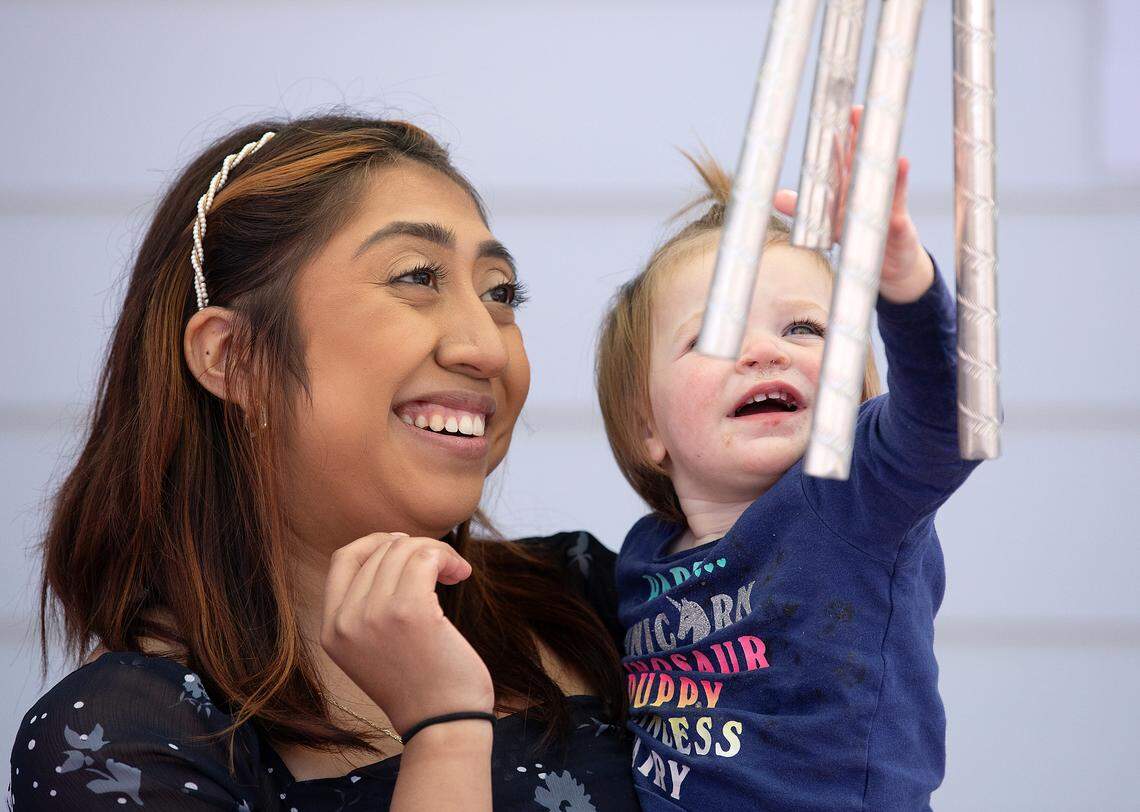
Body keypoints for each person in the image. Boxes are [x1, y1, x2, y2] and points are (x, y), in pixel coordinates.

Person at [9, 114, 638, 811]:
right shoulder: (118, 741)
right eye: (418, 276)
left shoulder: (596, 601)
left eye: (499, 293)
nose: (486, 347)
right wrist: (445, 732)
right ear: (234, 358)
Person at [595, 107, 982, 809]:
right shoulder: (641, 556)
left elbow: (954, 420)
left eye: (804, 327)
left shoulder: (849, 496)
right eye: (714, 334)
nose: (766, 351)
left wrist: (903, 282)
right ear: (645, 424)